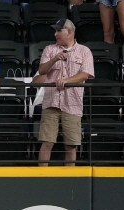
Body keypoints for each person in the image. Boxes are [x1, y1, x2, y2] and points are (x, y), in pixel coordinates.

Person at [36, 19, 94, 167]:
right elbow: (42, 71)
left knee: (71, 145)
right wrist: (54, 59)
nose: (55, 34)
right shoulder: (49, 49)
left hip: (73, 103)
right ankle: (41, 177)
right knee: (47, 142)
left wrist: (67, 80)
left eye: (58, 31)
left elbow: (86, 74)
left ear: (69, 32)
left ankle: (70, 179)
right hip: (51, 101)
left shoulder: (84, 51)